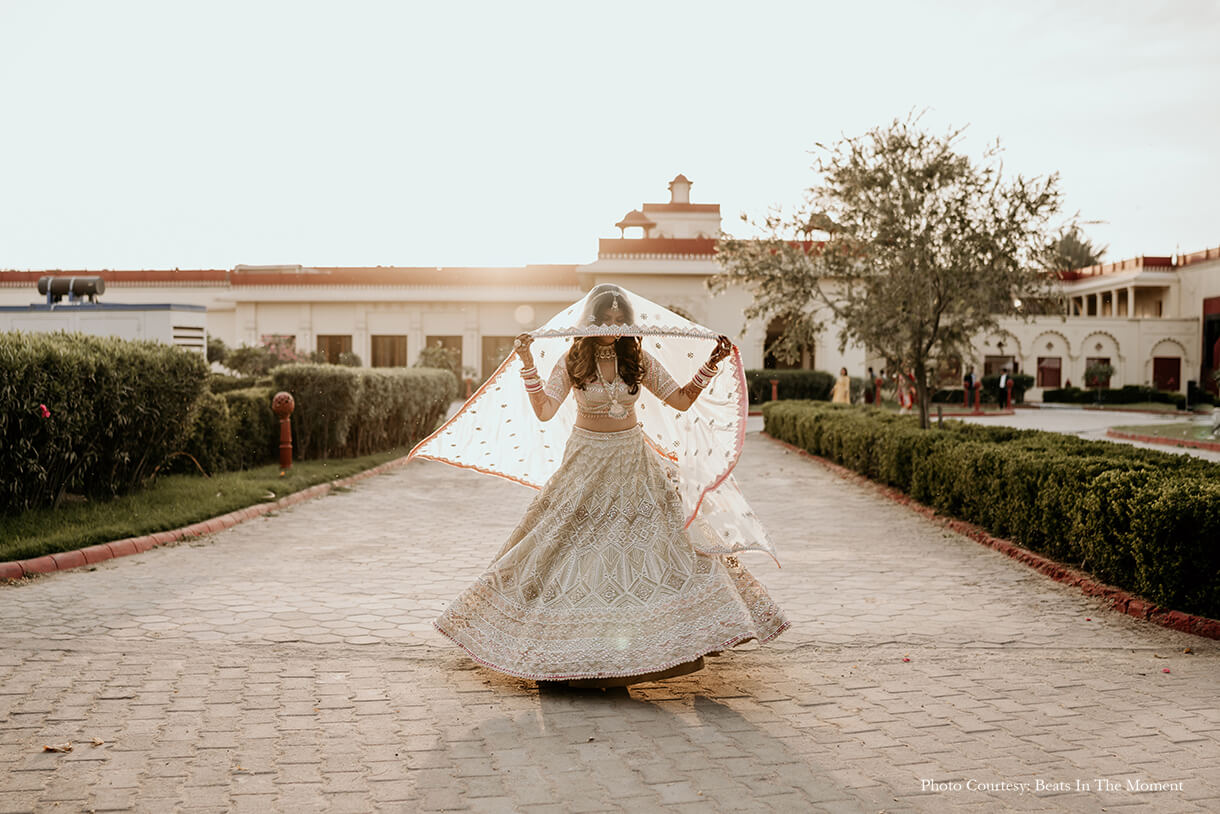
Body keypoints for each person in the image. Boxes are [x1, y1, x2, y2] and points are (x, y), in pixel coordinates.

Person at [416, 285, 788, 688]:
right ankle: (563, 648)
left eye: (619, 319)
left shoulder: (637, 360)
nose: (612, 326)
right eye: (605, 318)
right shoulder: (573, 362)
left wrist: (710, 364)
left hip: (632, 462)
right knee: (565, 543)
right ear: (589, 321)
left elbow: (680, 400)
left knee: (651, 547)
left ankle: (668, 642)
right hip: (585, 463)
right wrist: (527, 363)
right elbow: (543, 411)